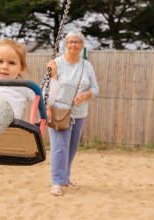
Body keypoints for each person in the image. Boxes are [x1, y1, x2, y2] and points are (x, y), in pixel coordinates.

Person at [46, 31, 99, 196]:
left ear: (82, 45)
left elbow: (95, 88)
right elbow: (47, 87)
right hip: (58, 112)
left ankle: (65, 178)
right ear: (65, 44)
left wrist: (85, 94)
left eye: (77, 42)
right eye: (70, 41)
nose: (73, 45)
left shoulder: (86, 66)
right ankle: (56, 183)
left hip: (79, 113)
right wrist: (47, 109)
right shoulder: (56, 63)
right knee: (59, 148)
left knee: (71, 148)